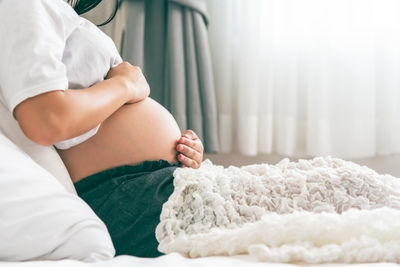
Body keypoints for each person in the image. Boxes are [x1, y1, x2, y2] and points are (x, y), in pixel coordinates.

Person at [0, 0, 204, 258]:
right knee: (264, 207)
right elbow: (47, 119)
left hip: (141, 183)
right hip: (120, 190)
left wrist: (181, 153)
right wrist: (125, 85)